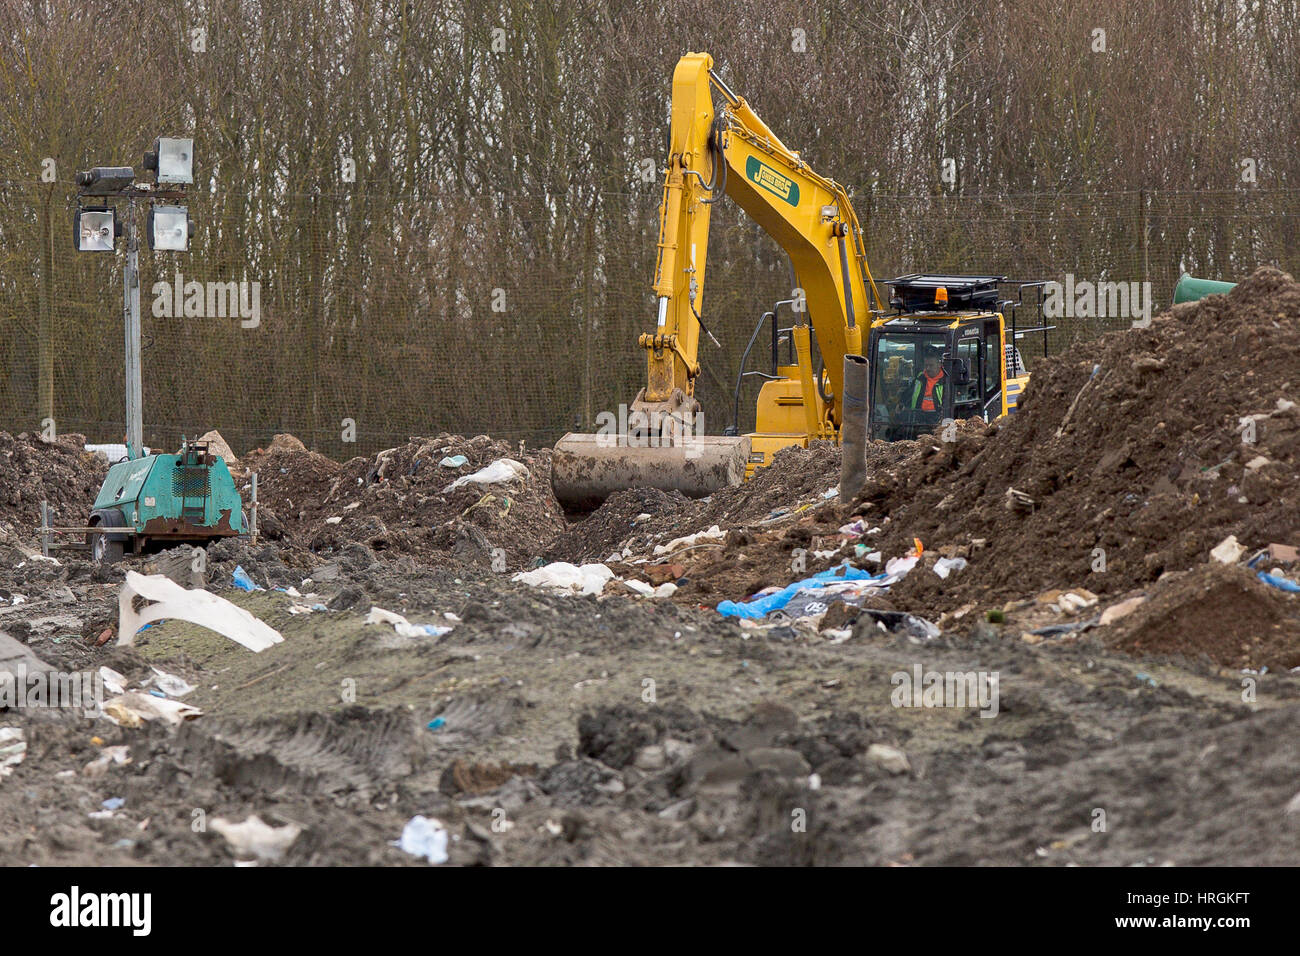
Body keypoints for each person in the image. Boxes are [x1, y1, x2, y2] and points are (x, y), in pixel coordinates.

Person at [908, 352, 946, 418]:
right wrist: (901, 402)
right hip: (918, 417)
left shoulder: (946, 380)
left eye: (931, 365)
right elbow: (909, 393)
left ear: (939, 365)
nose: (928, 368)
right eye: (926, 365)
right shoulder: (920, 378)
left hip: (938, 418)